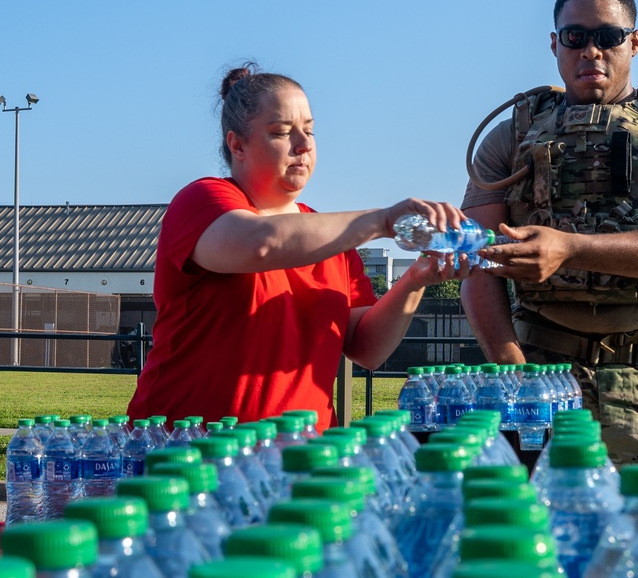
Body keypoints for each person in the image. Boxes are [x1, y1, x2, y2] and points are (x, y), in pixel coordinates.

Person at [460, 0, 638, 483]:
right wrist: (514, 369)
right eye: (575, 36)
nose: (591, 50)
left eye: (609, 36)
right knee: (528, 529)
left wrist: (570, 248)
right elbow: (476, 259)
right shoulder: (511, 138)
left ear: (635, 41)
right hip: (539, 374)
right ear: (555, 44)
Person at [128, 65, 466, 429]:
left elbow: (366, 348)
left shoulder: (333, 237)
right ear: (237, 145)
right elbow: (260, 243)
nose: (303, 145)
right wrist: (382, 221)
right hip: (190, 449)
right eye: (281, 132)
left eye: (309, 130)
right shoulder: (202, 200)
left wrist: (415, 279)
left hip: (305, 453)